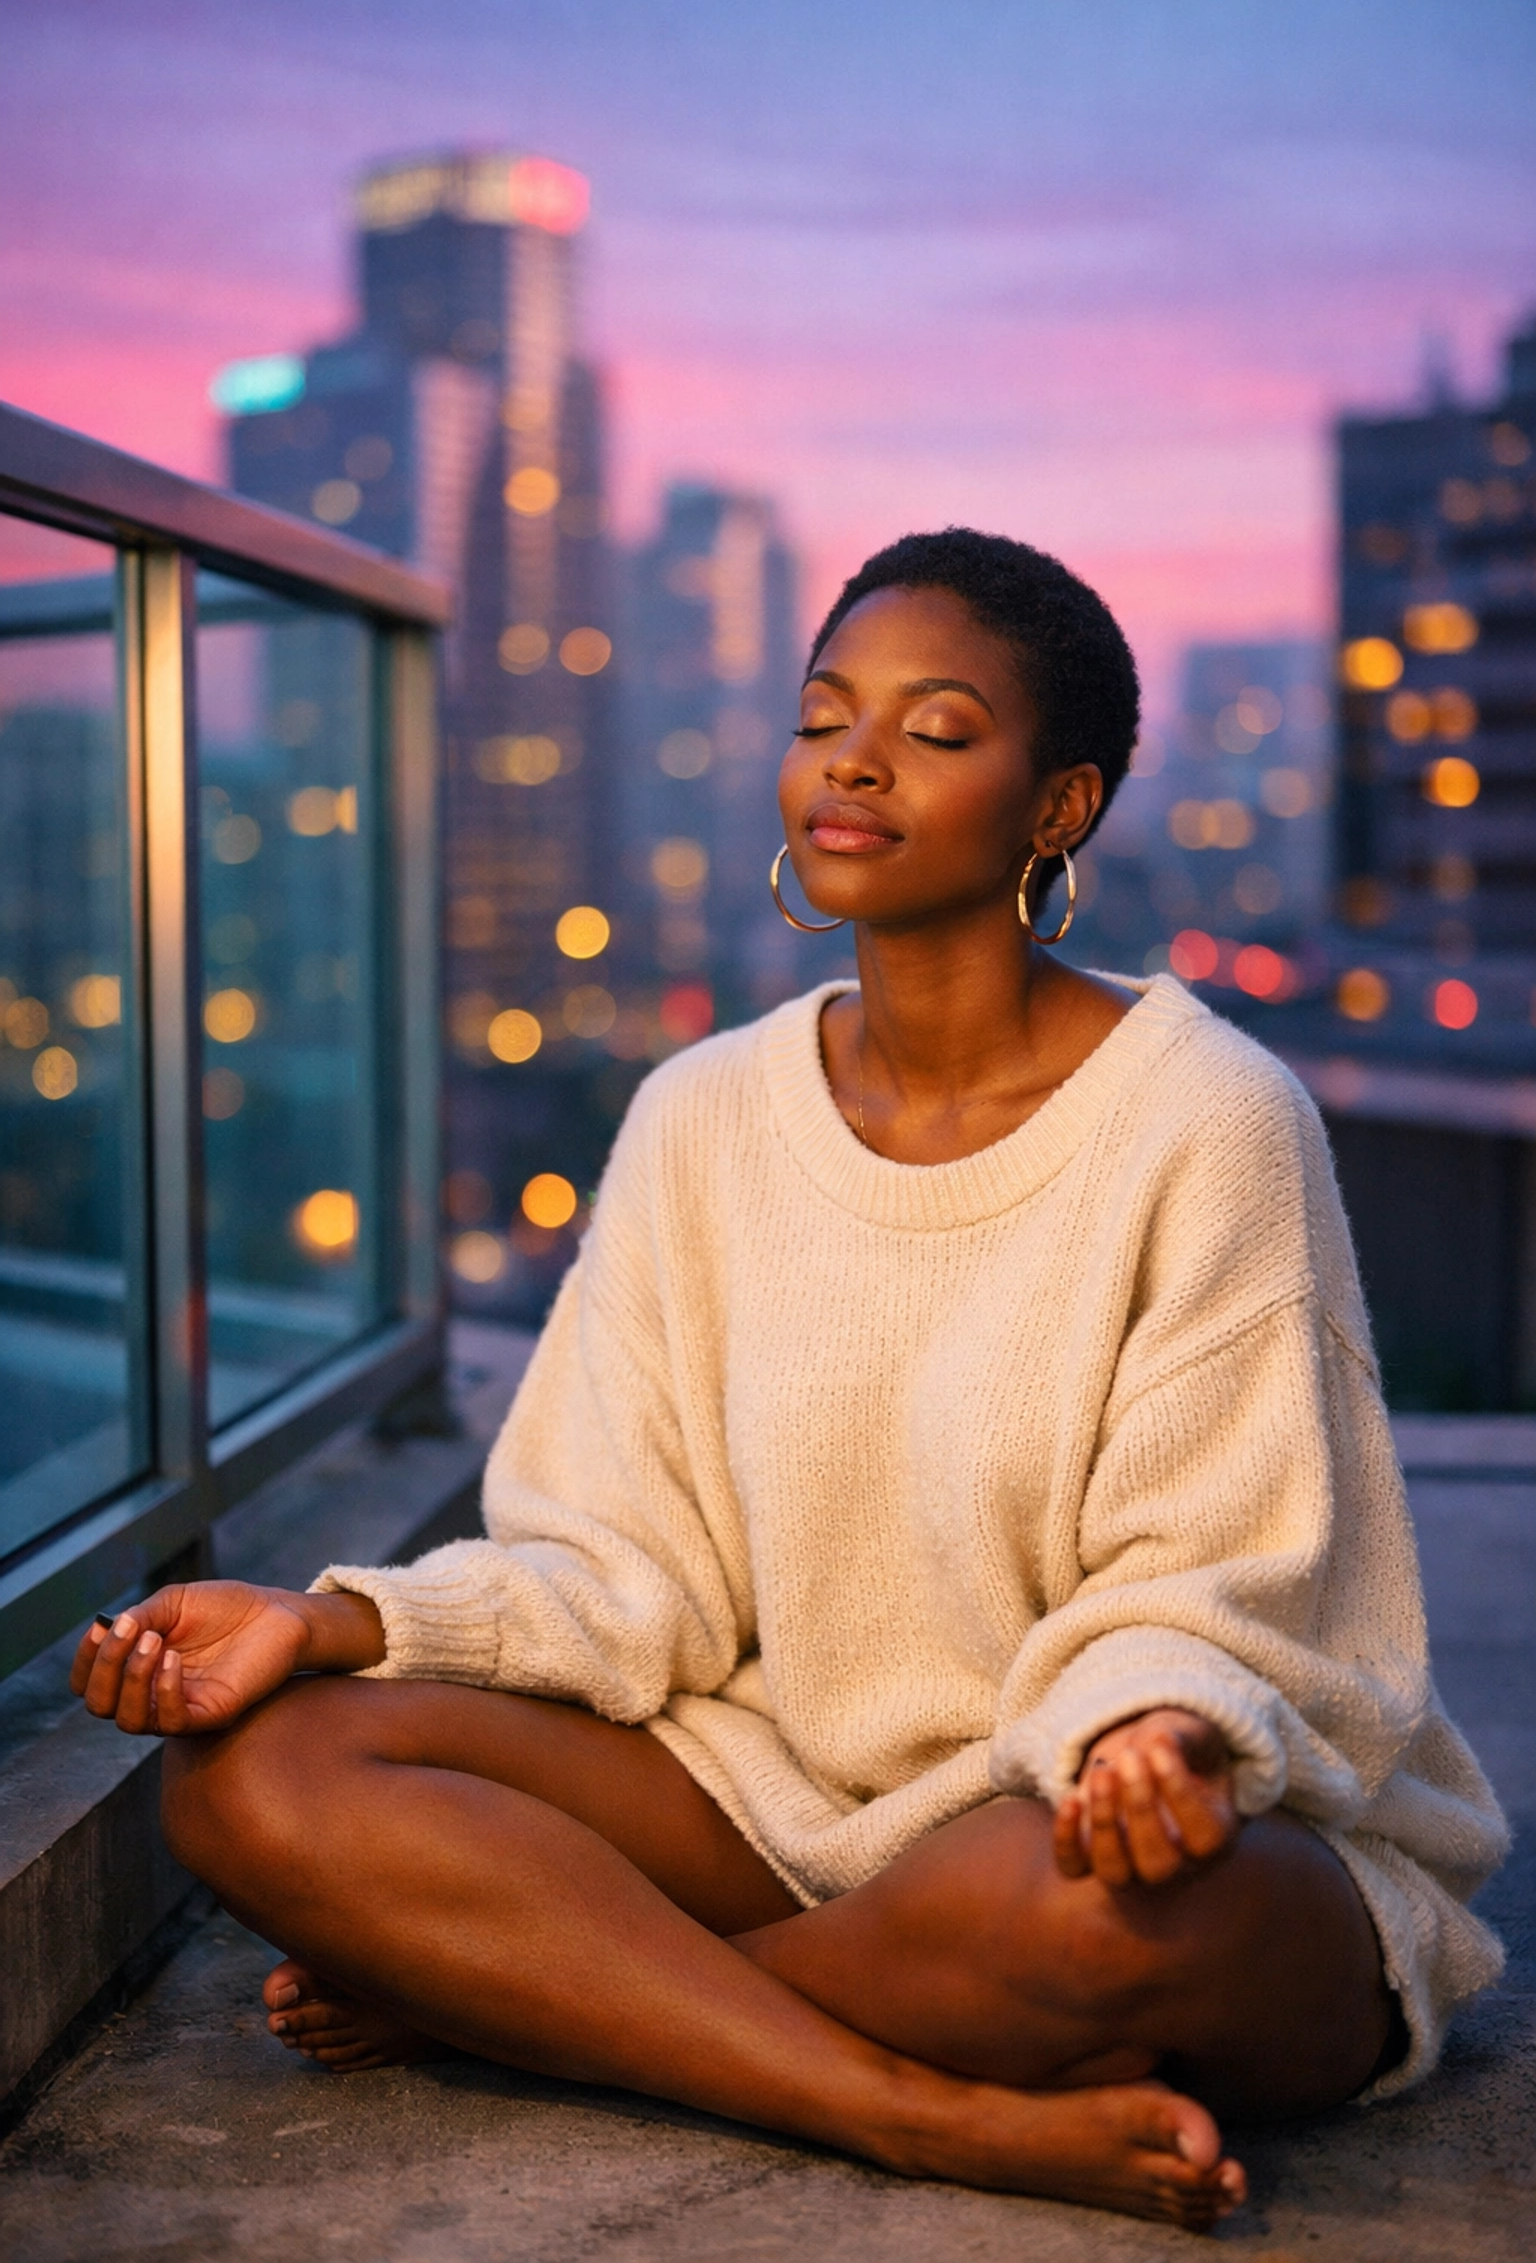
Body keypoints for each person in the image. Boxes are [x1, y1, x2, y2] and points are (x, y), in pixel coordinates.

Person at [74, 529, 1507, 2231]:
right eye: (828, 713)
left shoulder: (1209, 1119)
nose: (856, 758)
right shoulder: (699, 1117)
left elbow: (1234, 1566)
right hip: (776, 1792)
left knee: (1089, 1919)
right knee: (253, 1776)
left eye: (938, 728)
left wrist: (1156, 1727)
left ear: (1060, 807)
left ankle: (547, 1994)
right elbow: (620, 1568)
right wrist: (337, 1626)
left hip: (1085, 1814)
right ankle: (907, 2107)